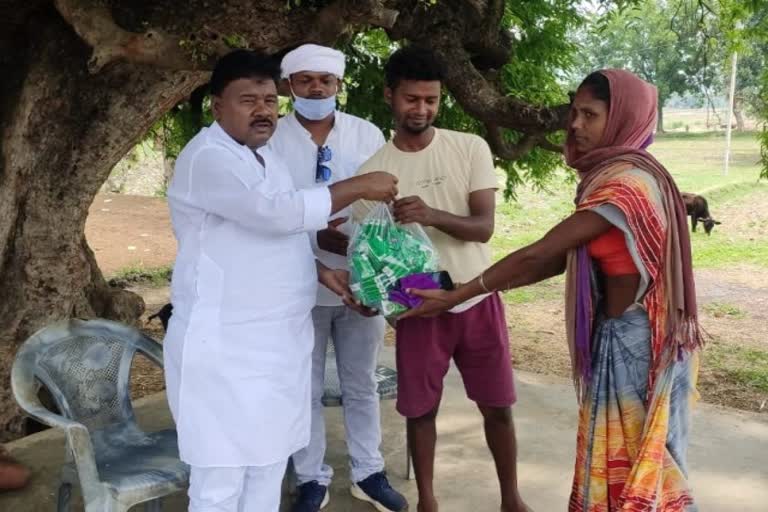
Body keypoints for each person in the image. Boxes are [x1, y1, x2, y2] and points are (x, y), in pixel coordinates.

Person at [403, 69, 703, 511]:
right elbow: (555, 261)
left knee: (647, 469)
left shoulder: (625, 185)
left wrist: (459, 294)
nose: (575, 125)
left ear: (621, 118)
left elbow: (538, 252)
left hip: (641, 341)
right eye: (574, 113)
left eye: (590, 115)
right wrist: (479, 290)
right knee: (634, 465)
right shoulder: (616, 177)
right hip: (631, 335)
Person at [163, 49, 398, 512]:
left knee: (267, 469)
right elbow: (276, 214)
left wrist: (322, 273)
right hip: (225, 351)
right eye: (248, 100)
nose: (263, 111)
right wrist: (356, 186)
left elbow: (281, 236)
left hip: (274, 347)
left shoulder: (262, 157)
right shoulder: (207, 157)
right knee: (221, 480)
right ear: (216, 106)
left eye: (269, 101)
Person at [351, 46, 530, 512]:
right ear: (389, 95)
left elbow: (483, 227)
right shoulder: (371, 172)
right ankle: (428, 500)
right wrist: (390, 304)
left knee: (497, 406)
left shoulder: (469, 147)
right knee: (420, 410)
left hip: (476, 297)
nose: (422, 109)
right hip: (418, 307)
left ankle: (511, 498)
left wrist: (430, 214)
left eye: (431, 99)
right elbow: (373, 256)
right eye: (411, 99)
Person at [269, 44, 407, 512]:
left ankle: (368, 471)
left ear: (338, 85)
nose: (316, 88)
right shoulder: (271, 137)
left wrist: (365, 261)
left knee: (360, 381)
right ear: (289, 85)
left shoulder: (366, 134)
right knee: (302, 384)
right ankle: (311, 477)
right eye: (305, 80)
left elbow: (386, 204)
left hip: (359, 279)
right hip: (296, 279)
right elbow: (268, 210)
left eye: (325, 81)